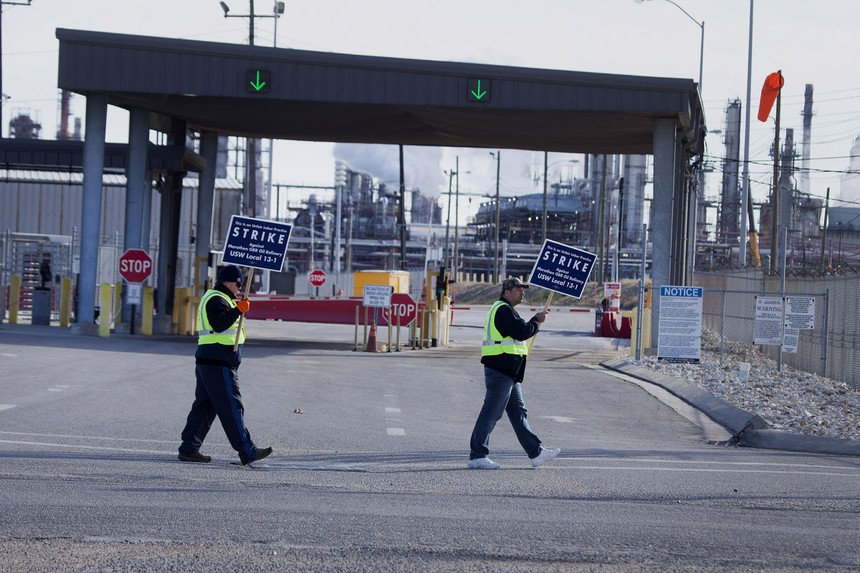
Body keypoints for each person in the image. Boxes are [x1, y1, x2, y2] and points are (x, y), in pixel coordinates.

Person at [177, 264, 272, 465]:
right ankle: (248, 451)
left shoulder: (217, 297)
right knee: (231, 407)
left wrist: (236, 308)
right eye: (238, 284)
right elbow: (219, 325)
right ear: (228, 282)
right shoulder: (217, 299)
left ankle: (189, 449)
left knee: (204, 407)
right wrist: (237, 310)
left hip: (209, 361)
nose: (239, 288)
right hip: (218, 363)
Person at [468, 276, 560, 470]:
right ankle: (477, 455)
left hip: (509, 371)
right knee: (491, 413)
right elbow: (521, 332)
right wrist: (536, 320)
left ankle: (536, 453)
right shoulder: (502, 310)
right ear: (506, 292)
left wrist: (533, 322)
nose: (522, 292)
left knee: (519, 413)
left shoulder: (507, 310)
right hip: (500, 369)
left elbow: (519, 332)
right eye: (518, 289)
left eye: (523, 289)